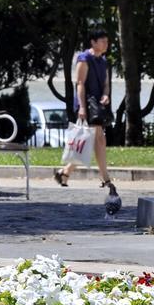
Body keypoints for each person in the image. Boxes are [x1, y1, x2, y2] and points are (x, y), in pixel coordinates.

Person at [54, 29, 112, 190]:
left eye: (107, 41)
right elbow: (79, 83)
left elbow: (106, 84)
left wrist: (106, 95)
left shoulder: (103, 61)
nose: (106, 44)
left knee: (93, 139)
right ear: (93, 42)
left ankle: (65, 172)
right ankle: (105, 178)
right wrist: (82, 107)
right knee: (98, 139)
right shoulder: (84, 58)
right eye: (103, 41)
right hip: (87, 104)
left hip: (98, 105)